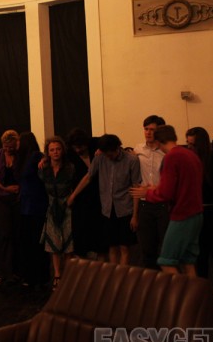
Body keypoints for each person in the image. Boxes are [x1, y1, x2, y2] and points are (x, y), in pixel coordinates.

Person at [131, 125, 203, 276]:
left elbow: (165, 194)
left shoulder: (171, 157)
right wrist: (155, 188)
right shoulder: (190, 154)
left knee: (166, 262)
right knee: (187, 261)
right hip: (196, 214)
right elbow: (182, 186)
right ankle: (193, 292)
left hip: (182, 215)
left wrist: (147, 193)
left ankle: (178, 292)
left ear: (158, 142)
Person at [68, 134, 141, 265]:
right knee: (111, 246)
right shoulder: (100, 157)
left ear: (117, 148)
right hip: (107, 209)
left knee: (124, 247)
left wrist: (135, 215)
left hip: (125, 208)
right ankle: (113, 275)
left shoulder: (131, 160)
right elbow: (88, 176)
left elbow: (136, 187)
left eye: (111, 154)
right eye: (106, 154)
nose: (109, 157)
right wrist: (73, 195)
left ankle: (122, 275)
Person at [186, 127, 213, 305]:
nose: (190, 147)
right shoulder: (190, 159)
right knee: (200, 254)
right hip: (197, 212)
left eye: (193, 144)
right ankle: (204, 289)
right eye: (188, 144)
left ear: (201, 143)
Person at [38, 136, 74, 290]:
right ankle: (57, 275)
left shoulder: (70, 168)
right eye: (52, 150)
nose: (55, 152)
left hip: (67, 206)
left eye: (58, 149)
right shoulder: (43, 169)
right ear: (48, 152)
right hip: (52, 207)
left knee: (68, 243)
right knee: (53, 243)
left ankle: (69, 275)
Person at [134, 115, 169, 269]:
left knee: (166, 246)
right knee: (147, 248)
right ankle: (150, 280)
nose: (148, 132)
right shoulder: (138, 149)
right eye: (146, 129)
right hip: (145, 204)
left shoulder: (166, 152)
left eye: (152, 130)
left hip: (163, 204)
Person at [65, 129, 105, 260]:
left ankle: (101, 268)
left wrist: (102, 149)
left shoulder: (95, 144)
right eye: (75, 147)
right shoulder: (70, 154)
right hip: (81, 200)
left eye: (81, 147)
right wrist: (44, 160)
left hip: (99, 197)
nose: (78, 150)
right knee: (81, 236)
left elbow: (113, 143)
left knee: (100, 238)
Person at [0, 130, 21, 286]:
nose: (8, 149)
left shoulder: (20, 155)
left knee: (18, 233)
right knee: (5, 234)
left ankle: (18, 271)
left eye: (11, 147)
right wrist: (4, 188)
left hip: (18, 199)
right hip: (2, 198)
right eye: (6, 147)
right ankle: (4, 271)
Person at [16, 131, 49, 288]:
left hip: (36, 205)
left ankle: (39, 276)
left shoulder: (35, 156)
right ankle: (32, 275)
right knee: (29, 242)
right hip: (26, 205)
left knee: (36, 242)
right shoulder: (23, 158)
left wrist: (45, 160)